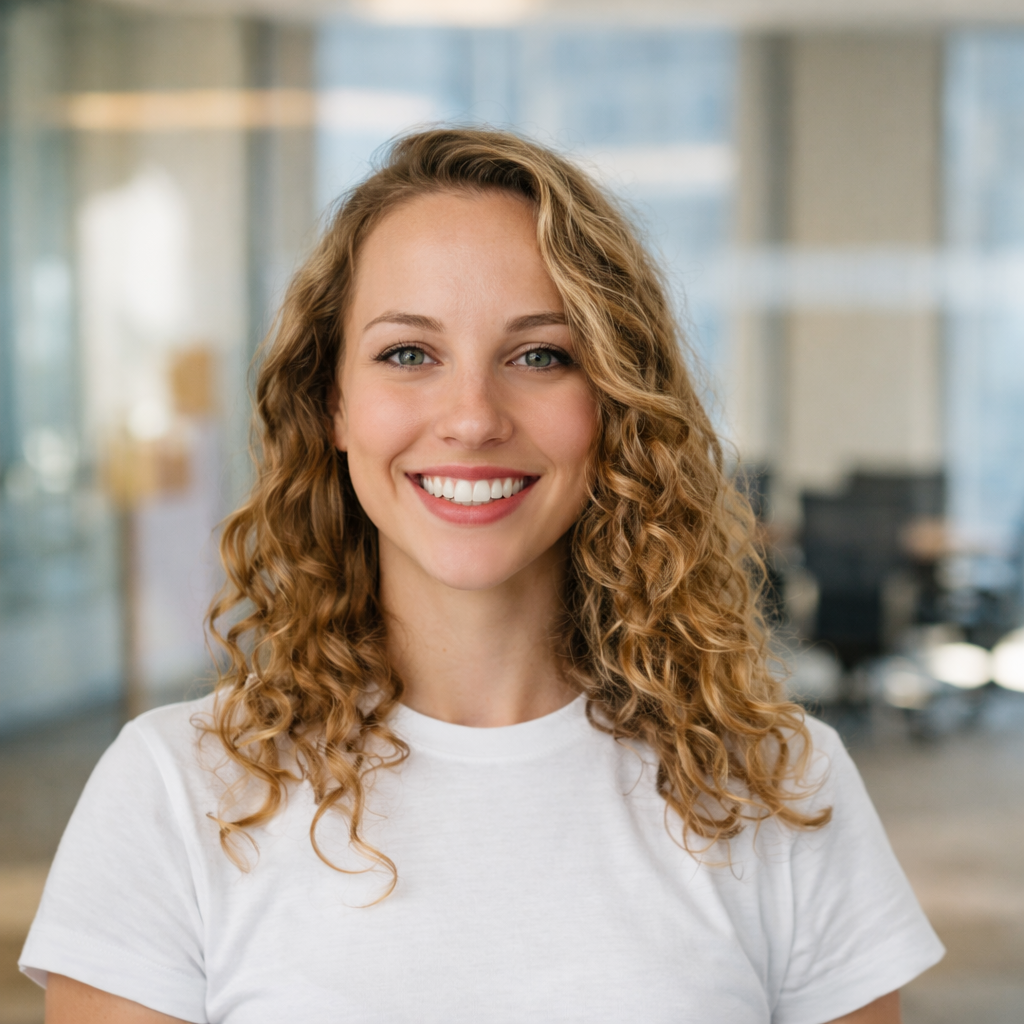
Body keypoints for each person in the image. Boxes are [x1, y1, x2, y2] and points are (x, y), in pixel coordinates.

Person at [21, 128, 943, 1024]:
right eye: (408, 354)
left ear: (614, 404)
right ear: (333, 403)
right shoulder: (178, 790)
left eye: (540, 355)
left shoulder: (778, 784)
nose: (471, 418)